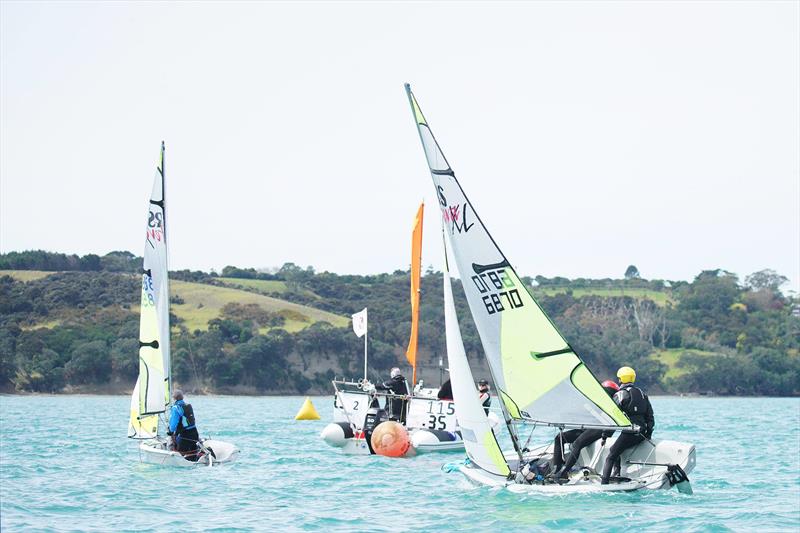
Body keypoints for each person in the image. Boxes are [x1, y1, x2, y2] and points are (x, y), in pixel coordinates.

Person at [551, 380, 619, 480]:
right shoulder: (597, 402)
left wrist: (606, 434)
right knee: (559, 438)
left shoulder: (612, 405)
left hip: (599, 429)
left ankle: (564, 472)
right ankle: (557, 468)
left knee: (577, 443)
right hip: (588, 428)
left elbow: (613, 424)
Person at [601, 366, 655, 484]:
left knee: (611, 455)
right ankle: (617, 474)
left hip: (629, 433)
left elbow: (613, 417)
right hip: (641, 433)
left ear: (620, 379)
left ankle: (604, 483)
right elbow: (650, 416)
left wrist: (605, 435)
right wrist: (648, 434)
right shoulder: (642, 394)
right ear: (633, 378)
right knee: (617, 449)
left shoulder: (620, 394)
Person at [167, 390, 200, 461]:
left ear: (174, 398)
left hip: (185, 436)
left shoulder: (176, 408)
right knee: (193, 454)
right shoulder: (188, 405)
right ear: (182, 397)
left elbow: (173, 424)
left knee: (182, 455)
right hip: (194, 433)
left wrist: (170, 431)